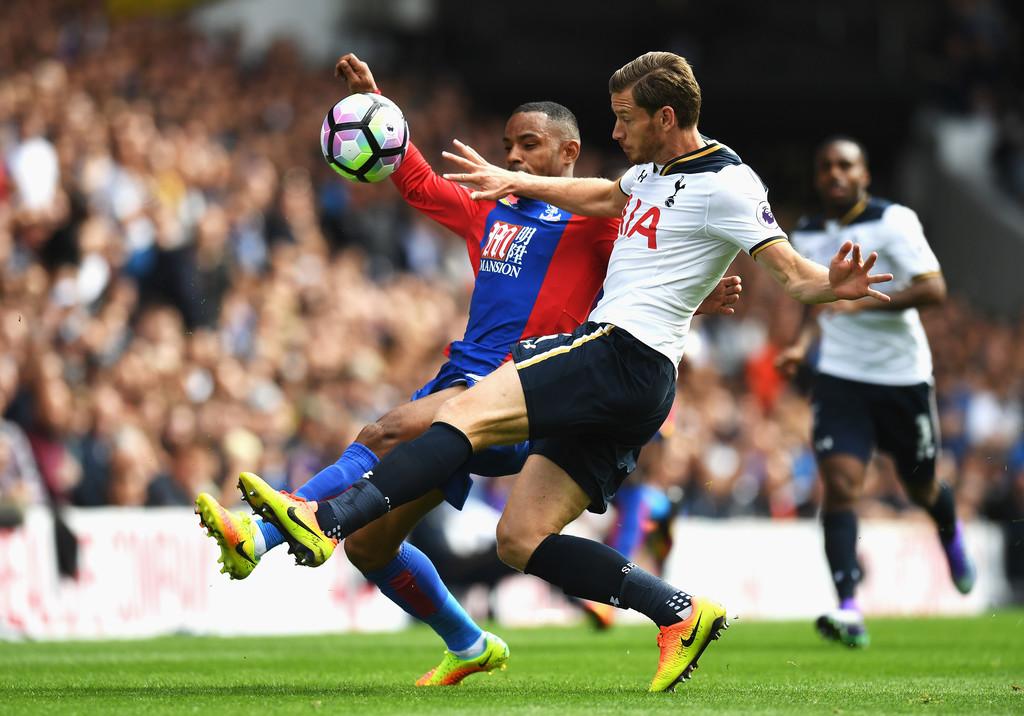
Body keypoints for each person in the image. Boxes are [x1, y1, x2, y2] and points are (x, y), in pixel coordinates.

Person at [235, 51, 892, 692]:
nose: (615, 130)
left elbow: (788, 272)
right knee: (519, 539)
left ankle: (321, 520)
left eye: (625, 117)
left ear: (665, 117)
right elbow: (609, 200)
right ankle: (679, 612)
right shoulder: (640, 181)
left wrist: (831, 285)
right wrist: (508, 177)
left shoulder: (729, 181)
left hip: (611, 355)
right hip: (638, 384)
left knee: (440, 414)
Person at [774, 136, 977, 648]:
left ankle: (950, 536)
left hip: (902, 378)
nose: (834, 174)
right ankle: (849, 609)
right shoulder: (809, 232)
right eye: (825, 168)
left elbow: (934, 289)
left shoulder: (895, 221)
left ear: (864, 175)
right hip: (841, 378)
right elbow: (810, 295)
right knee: (841, 486)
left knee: (921, 488)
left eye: (845, 166)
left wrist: (861, 305)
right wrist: (800, 344)